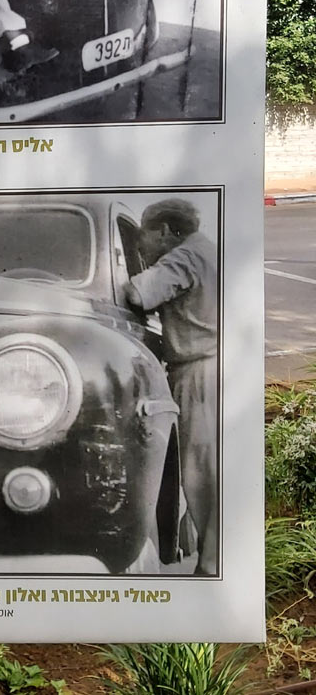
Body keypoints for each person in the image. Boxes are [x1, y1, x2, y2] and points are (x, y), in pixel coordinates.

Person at [124, 198, 218, 576]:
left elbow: (137, 294)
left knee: (200, 470)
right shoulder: (207, 250)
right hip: (215, 366)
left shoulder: (183, 257)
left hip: (199, 371)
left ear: (164, 231)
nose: (141, 246)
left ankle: (211, 567)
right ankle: (211, 558)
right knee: (210, 466)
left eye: (143, 237)